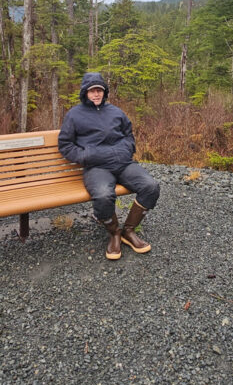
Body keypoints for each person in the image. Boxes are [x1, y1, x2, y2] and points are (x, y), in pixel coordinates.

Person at [58, 72, 160, 260]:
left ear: (104, 92)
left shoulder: (116, 112)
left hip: (123, 164)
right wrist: (85, 156)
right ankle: (114, 233)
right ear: (85, 93)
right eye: (92, 91)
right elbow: (65, 145)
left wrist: (127, 150)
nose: (96, 94)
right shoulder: (74, 115)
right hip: (97, 167)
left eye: (99, 90)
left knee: (151, 187)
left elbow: (128, 134)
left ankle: (128, 231)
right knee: (104, 196)